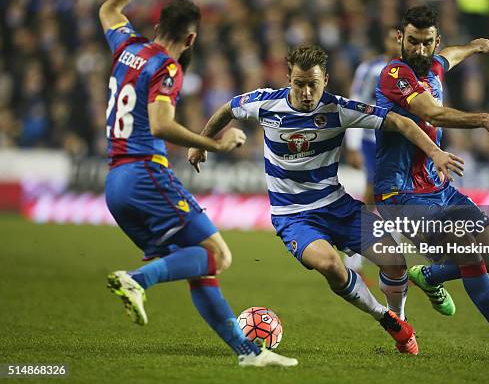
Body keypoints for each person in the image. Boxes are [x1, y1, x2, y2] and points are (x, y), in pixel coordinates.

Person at [188, 45, 465, 355]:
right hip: (293, 216)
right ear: (288, 78)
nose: (307, 92)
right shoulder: (265, 103)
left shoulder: (338, 110)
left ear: (326, 80)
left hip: (337, 206)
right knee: (330, 264)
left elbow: (402, 123)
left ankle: (401, 325)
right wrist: (202, 144)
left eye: (313, 84)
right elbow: (228, 108)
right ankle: (385, 318)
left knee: (395, 260)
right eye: (299, 83)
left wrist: (435, 152)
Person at [100, 0, 297, 368]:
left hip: (114, 183)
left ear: (156, 26)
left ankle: (248, 353)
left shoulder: (127, 47)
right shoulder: (167, 68)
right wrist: (213, 141)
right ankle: (136, 280)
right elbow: (160, 124)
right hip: (146, 172)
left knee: (200, 265)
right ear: (191, 37)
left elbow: (108, 10)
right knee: (219, 254)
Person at [374, 5, 489, 362]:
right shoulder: (393, 74)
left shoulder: (433, 65)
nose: (419, 50)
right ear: (400, 38)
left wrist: (474, 46)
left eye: (427, 43)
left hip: (439, 188)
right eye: (413, 42)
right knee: (466, 247)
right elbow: (431, 112)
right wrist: (484, 119)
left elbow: (450, 56)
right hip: (399, 195)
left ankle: (430, 276)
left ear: (436, 41)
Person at [344, 27, 400, 279]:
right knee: (373, 197)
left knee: (395, 199)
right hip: (371, 139)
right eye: (392, 38)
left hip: (400, 142)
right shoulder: (370, 69)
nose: (396, 43)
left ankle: (391, 260)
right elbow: (355, 103)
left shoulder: (415, 72)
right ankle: (353, 259)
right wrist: (353, 144)